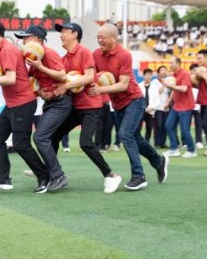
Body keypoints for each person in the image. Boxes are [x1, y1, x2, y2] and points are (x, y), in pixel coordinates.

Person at [90, 23, 167, 191]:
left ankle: (139, 176)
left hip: (134, 100)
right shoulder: (96, 54)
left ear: (114, 38)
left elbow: (123, 85)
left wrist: (100, 90)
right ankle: (158, 161)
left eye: (103, 37)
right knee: (135, 138)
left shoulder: (124, 55)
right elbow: (91, 75)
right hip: (117, 104)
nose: (99, 40)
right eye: (98, 37)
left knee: (125, 134)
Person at [52, 22, 122, 194]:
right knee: (53, 135)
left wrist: (65, 86)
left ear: (75, 34)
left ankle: (111, 175)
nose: (61, 35)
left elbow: (89, 77)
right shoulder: (64, 58)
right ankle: (50, 170)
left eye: (64, 32)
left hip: (91, 107)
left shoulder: (84, 52)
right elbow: (60, 81)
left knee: (85, 143)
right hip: (75, 107)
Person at [0, 21, 47, 191]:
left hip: (22, 103)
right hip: (12, 104)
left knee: (21, 144)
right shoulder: (1, 50)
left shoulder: (7, 50)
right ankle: (4, 178)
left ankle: (45, 177)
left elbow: (10, 79)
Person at [16, 24, 70, 192]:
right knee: (47, 138)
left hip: (61, 103)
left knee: (40, 137)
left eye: (26, 38)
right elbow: (30, 78)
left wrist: (40, 67)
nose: (23, 41)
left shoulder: (49, 53)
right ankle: (46, 172)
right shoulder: (34, 56)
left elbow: (62, 75)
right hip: (50, 103)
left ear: (37, 40)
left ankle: (58, 175)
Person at [163, 56, 197, 158]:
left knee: (184, 130)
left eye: (172, 63)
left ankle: (191, 150)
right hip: (176, 106)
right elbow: (174, 90)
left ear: (178, 63)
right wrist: (168, 102)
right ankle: (174, 149)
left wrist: (170, 86)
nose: (170, 65)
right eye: (169, 63)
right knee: (168, 126)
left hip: (186, 106)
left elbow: (184, 89)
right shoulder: (174, 75)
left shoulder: (184, 74)